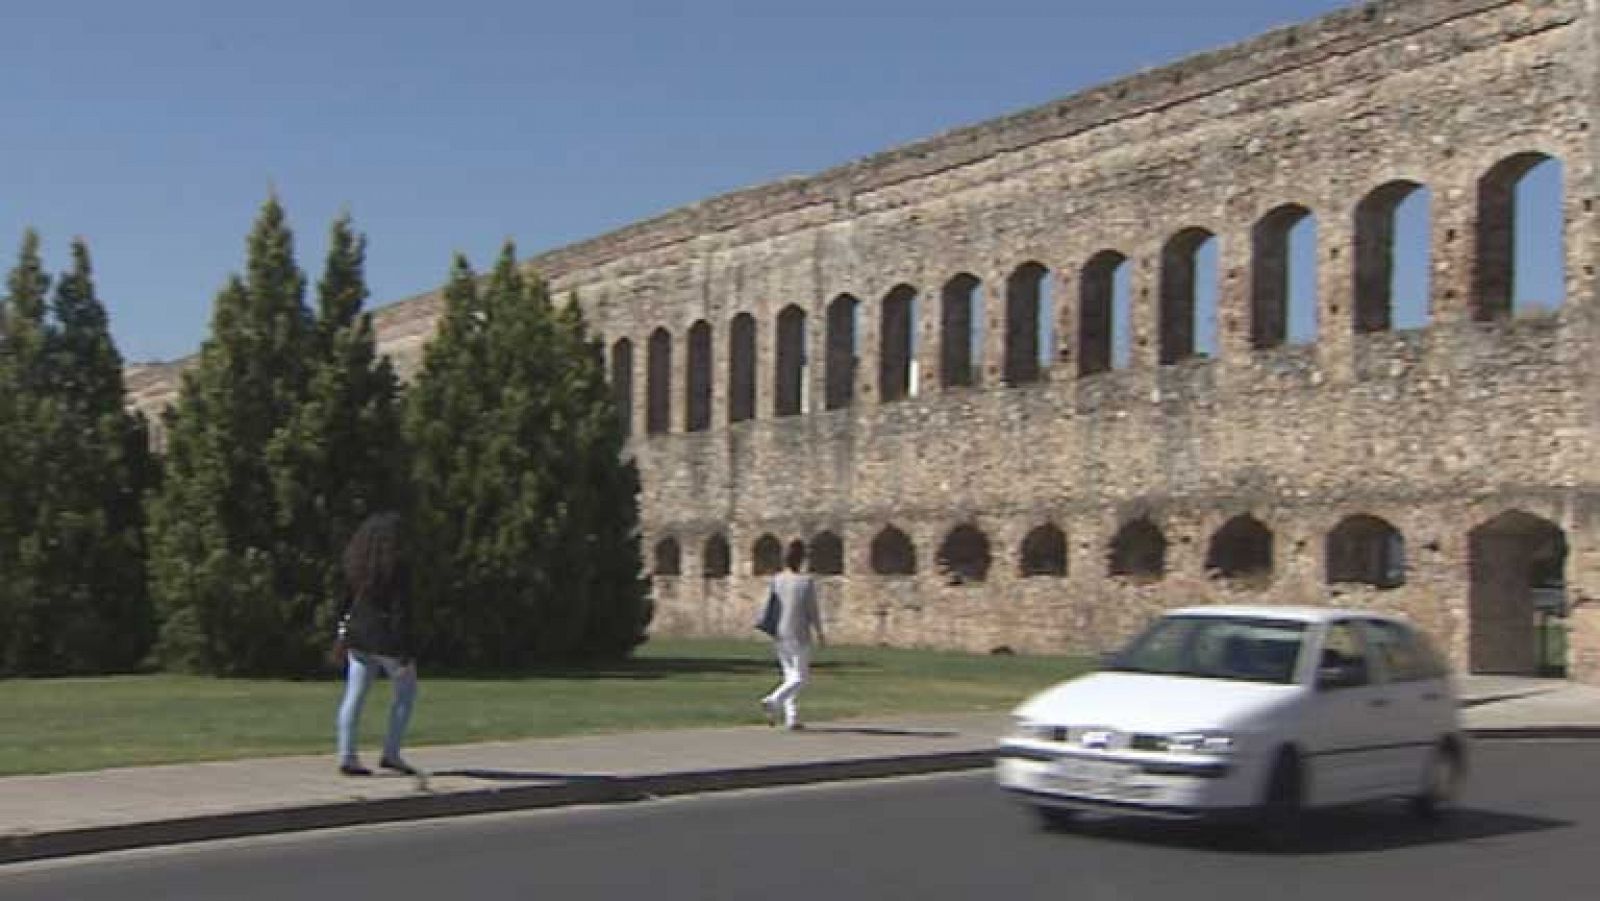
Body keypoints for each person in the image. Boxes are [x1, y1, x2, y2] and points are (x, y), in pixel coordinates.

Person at [333, 510, 419, 776]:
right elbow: (401, 610)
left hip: (358, 635)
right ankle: (391, 753)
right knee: (405, 693)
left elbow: (345, 601)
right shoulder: (398, 567)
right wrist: (406, 649)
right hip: (387, 638)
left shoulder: (355, 563)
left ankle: (347, 754)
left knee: (354, 695)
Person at [760, 540, 826, 730]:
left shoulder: (777, 580)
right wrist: (820, 632)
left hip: (780, 632)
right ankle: (773, 700)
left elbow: (770, 606)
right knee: (800, 677)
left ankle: (792, 718)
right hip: (799, 633)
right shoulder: (805, 582)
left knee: (790, 676)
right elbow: (812, 610)